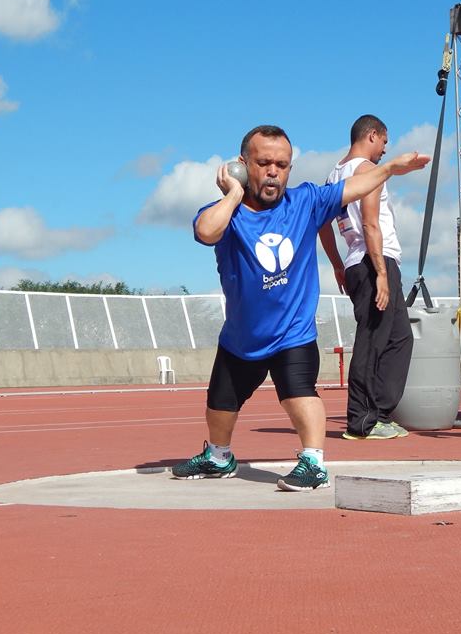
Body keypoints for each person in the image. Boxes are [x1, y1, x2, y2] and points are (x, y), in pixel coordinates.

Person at [170, 124, 429, 491]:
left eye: (283, 164)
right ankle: (218, 457)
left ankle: (313, 463)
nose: (274, 171)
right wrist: (233, 194)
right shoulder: (227, 214)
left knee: (299, 393)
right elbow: (205, 232)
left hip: (292, 333)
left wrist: (389, 168)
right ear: (243, 165)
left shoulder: (305, 201)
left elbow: (354, 188)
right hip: (241, 337)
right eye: (264, 163)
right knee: (219, 405)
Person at [318, 115, 413, 439]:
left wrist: (337, 264)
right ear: (373, 135)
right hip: (375, 260)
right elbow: (371, 223)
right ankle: (361, 420)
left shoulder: (334, 175)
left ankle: (380, 412)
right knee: (371, 341)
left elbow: (322, 224)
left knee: (400, 337)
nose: (385, 151)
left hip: (360, 261)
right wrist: (382, 273)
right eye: (385, 143)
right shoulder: (368, 171)